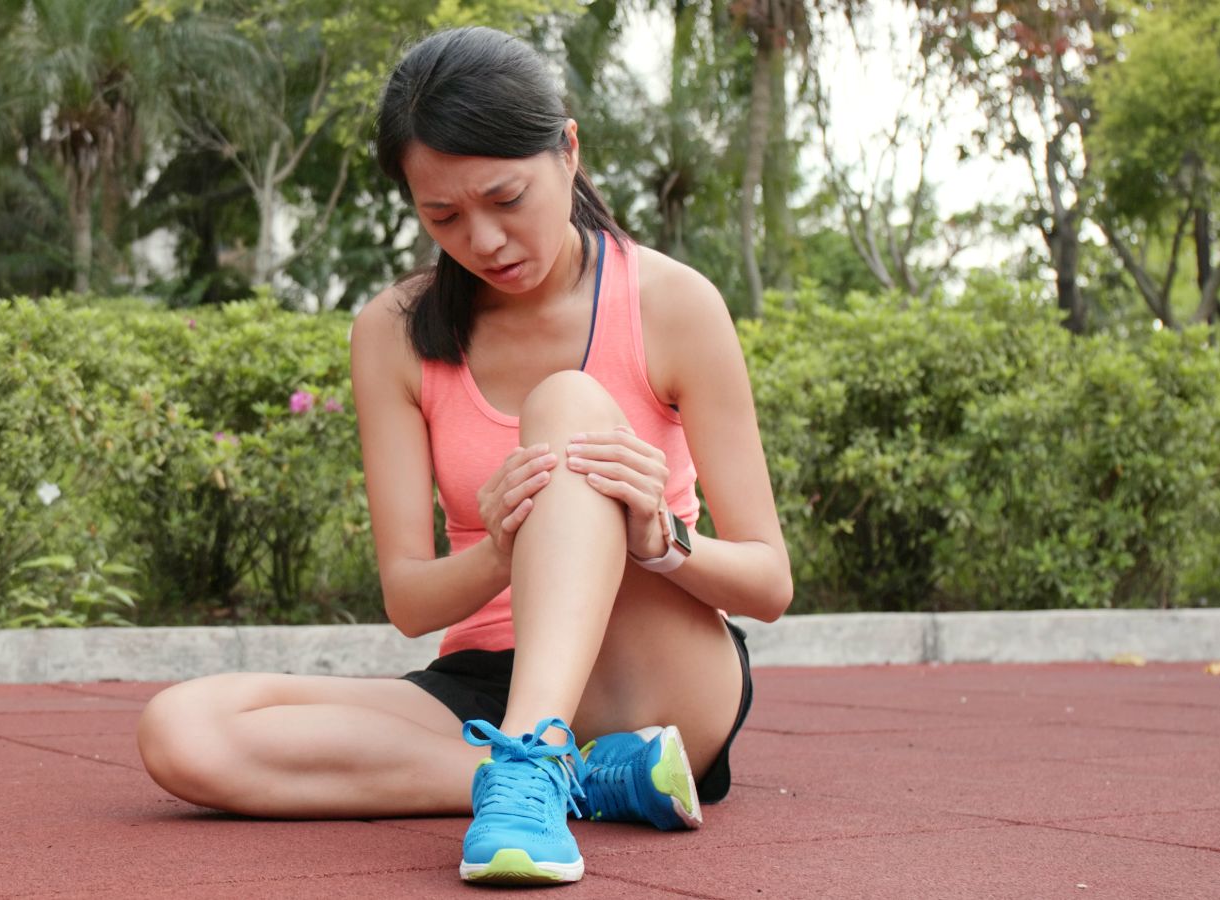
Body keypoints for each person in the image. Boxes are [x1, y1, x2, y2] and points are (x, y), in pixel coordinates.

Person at [135, 25, 792, 885]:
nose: (482, 240)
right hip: (482, 682)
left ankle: (536, 760)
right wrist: (503, 550)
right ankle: (571, 778)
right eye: (443, 215)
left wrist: (658, 539)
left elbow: (770, 583)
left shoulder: (672, 304)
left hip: (653, 677)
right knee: (181, 729)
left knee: (566, 403)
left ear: (568, 150)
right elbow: (410, 600)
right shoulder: (394, 332)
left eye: (506, 197)